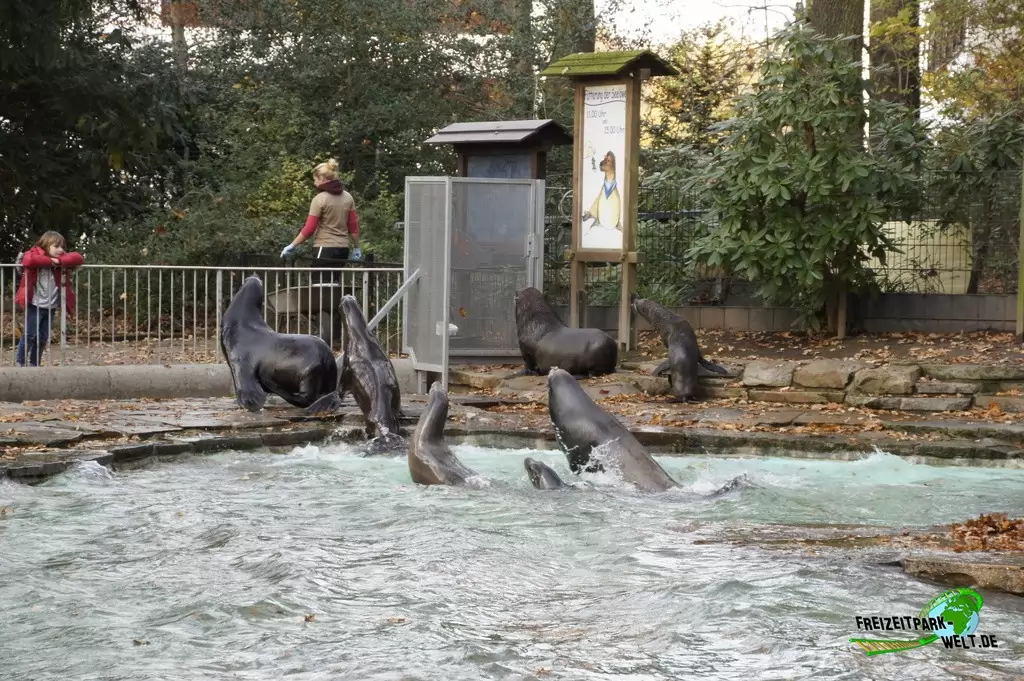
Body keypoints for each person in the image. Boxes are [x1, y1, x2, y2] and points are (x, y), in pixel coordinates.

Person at [14, 231, 85, 367]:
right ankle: (20, 363)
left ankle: (34, 364)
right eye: (56, 246)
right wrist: (51, 261)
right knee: (29, 335)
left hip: (50, 307)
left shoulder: (61, 259)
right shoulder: (34, 253)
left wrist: (59, 261)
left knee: (42, 338)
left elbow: (78, 258)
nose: (61, 250)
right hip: (35, 305)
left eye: (62, 247)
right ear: (46, 245)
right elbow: (29, 260)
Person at [280, 158, 363, 263]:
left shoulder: (319, 199)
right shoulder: (348, 197)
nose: (315, 183)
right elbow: (353, 227)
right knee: (334, 274)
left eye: (315, 180)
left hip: (324, 248)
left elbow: (309, 229)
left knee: (320, 275)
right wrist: (356, 247)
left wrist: (292, 245)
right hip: (343, 250)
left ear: (322, 179)